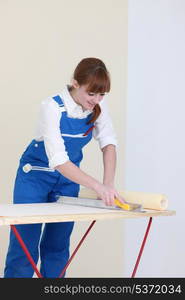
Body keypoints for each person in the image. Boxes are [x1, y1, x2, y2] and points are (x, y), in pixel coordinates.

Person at [4, 57, 124, 278]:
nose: (96, 99)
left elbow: (108, 143)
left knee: (57, 246)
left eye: (101, 95)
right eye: (91, 93)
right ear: (75, 83)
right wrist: (98, 186)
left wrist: (108, 184)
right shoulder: (51, 106)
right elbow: (59, 160)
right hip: (35, 178)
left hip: (68, 181)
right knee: (24, 247)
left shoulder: (98, 105)